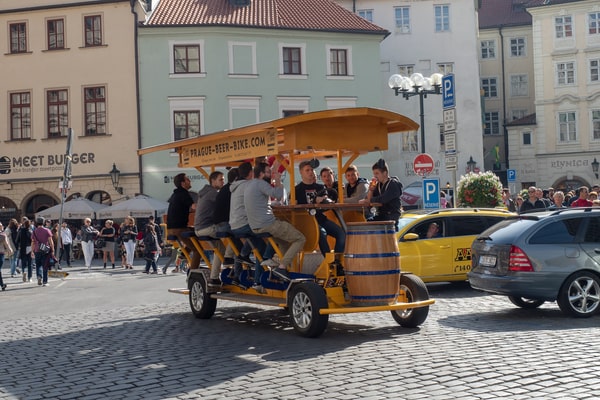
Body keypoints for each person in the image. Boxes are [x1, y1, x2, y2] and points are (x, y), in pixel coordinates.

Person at [245, 161, 305, 280]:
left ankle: (284, 270)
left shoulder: (250, 185)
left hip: (255, 226)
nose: (270, 175)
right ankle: (282, 268)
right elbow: (278, 195)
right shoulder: (261, 183)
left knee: (284, 242)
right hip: (267, 224)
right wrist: (278, 180)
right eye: (268, 172)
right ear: (261, 174)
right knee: (300, 238)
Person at [230, 161, 272, 293]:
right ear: (251, 173)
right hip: (245, 224)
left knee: (257, 242)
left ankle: (242, 257)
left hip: (235, 224)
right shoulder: (250, 185)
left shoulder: (237, 186)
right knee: (265, 243)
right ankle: (259, 280)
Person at [296, 160, 345, 257]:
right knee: (322, 233)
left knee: (341, 233)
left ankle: (336, 260)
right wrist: (315, 201)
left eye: (311, 170)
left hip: (320, 218)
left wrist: (325, 200)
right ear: (301, 172)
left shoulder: (320, 187)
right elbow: (295, 207)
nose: (311, 172)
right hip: (307, 222)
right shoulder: (297, 190)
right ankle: (328, 260)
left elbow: (326, 200)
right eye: (307, 170)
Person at [194, 170, 226, 285]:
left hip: (199, 228)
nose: (223, 181)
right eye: (221, 179)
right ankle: (233, 263)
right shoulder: (213, 193)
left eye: (223, 179)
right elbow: (227, 205)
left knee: (221, 248)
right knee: (233, 233)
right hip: (206, 227)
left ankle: (214, 277)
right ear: (213, 181)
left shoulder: (206, 191)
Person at [167, 173, 200, 270]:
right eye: (188, 180)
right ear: (183, 183)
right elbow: (194, 206)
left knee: (196, 232)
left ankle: (183, 254)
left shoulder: (175, 194)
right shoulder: (184, 193)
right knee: (198, 249)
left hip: (171, 228)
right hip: (179, 228)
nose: (190, 181)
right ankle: (193, 271)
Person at [360, 159, 403, 227]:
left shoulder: (393, 184)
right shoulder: (379, 185)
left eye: (377, 173)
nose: (375, 176)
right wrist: (371, 190)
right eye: (374, 174)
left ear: (385, 173)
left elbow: (383, 199)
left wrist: (369, 200)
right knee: (366, 223)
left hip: (391, 217)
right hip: (381, 215)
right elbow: (368, 200)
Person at [31, 217, 54, 286]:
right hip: (45, 250)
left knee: (38, 265)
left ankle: (39, 276)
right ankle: (45, 281)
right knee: (45, 266)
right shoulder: (47, 230)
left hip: (37, 250)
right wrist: (52, 249)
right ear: (43, 222)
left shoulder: (34, 231)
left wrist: (32, 251)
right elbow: (51, 241)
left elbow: (32, 242)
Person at [16, 217, 33, 282]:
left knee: (23, 262)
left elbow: (17, 240)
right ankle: (30, 277)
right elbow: (33, 241)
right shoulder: (31, 231)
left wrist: (19, 245)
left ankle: (24, 272)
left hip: (22, 248)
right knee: (30, 263)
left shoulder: (20, 231)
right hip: (29, 248)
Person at [0, 222, 14, 291]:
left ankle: (2, 285)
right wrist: (10, 251)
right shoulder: (3, 235)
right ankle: (2, 285)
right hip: (1, 254)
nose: (2, 226)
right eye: (1, 225)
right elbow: (7, 244)